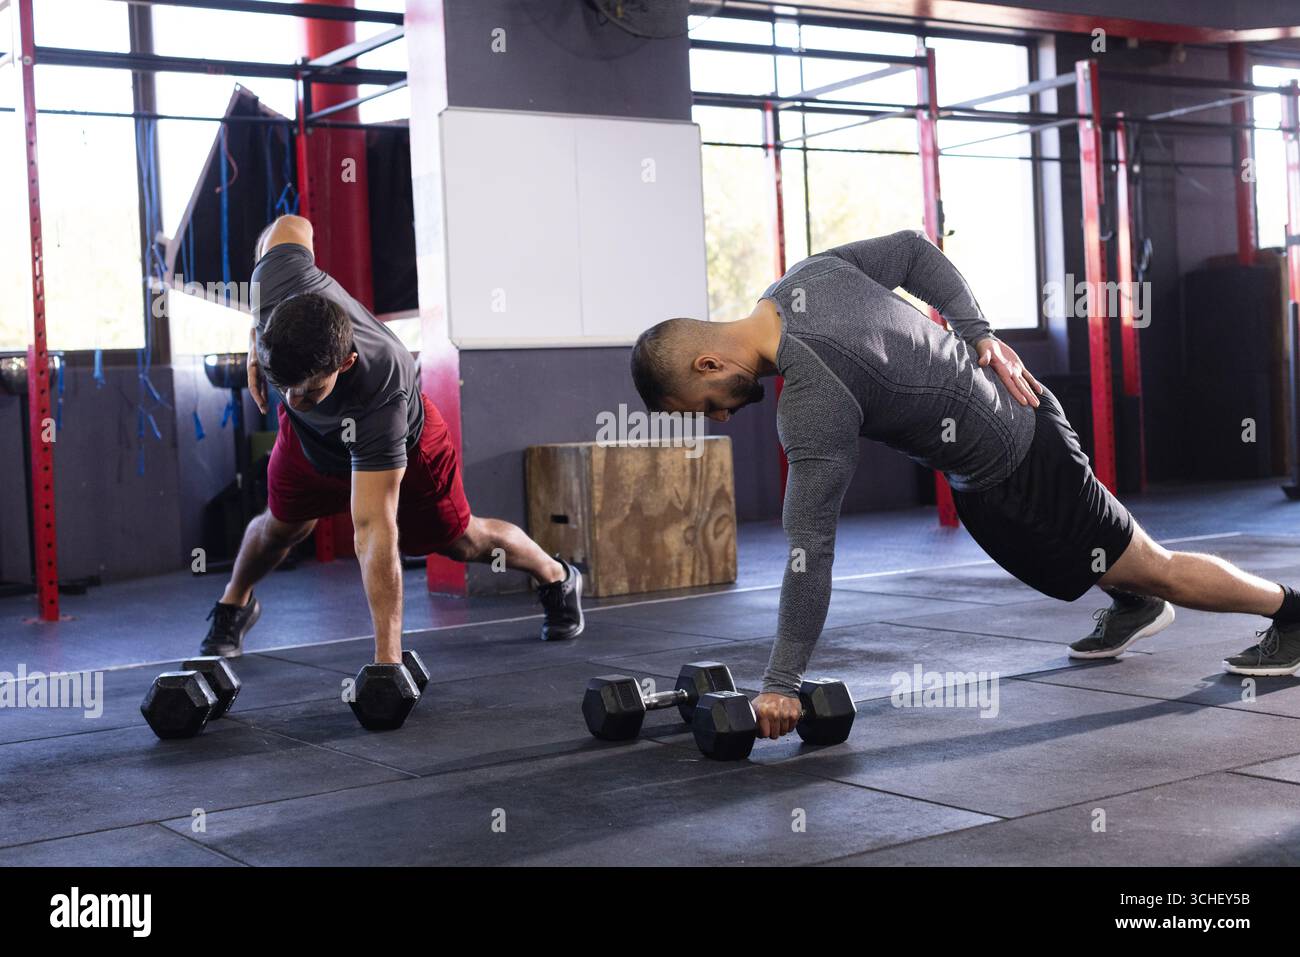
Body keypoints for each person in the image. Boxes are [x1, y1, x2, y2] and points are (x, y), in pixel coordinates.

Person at [630, 230, 1300, 740]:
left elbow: (810, 549)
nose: (719, 415)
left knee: (1154, 564)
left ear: (709, 361)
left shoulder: (810, 398)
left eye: (706, 403)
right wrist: (973, 331)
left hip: (1026, 451)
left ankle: (1288, 612)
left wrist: (781, 684)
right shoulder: (807, 277)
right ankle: (1132, 603)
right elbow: (915, 251)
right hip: (979, 469)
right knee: (1053, 563)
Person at [201, 214, 583, 665]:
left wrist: (388, 661)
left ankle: (555, 576)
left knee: (462, 541)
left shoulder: (383, 382)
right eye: (286, 387)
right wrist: (254, 337)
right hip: (309, 444)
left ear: (344, 364)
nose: (295, 399)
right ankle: (235, 604)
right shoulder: (281, 278)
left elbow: (372, 529)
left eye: (311, 390)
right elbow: (292, 222)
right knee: (278, 528)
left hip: (407, 444)